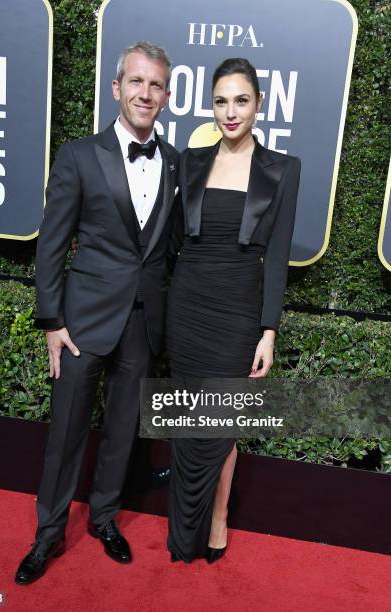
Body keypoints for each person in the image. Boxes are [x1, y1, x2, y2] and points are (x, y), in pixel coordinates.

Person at [15, 41, 180, 585]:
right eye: (136, 81)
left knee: (122, 431)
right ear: (116, 89)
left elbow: (171, 245)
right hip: (82, 323)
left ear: (167, 96)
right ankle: (48, 535)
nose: (145, 93)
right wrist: (51, 321)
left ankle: (105, 517)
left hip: (144, 323)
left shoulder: (177, 162)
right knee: (66, 433)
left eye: (156, 85)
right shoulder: (79, 156)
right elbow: (51, 244)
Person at [166, 57, 301, 564]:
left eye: (241, 100)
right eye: (221, 100)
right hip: (189, 306)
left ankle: (218, 515)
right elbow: (174, 242)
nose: (230, 111)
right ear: (211, 105)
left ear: (259, 104)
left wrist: (268, 330)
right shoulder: (191, 161)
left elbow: (278, 255)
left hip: (239, 311)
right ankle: (185, 526)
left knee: (222, 423)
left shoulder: (283, 169)